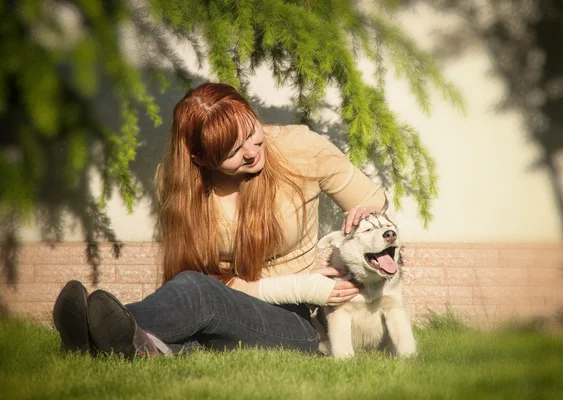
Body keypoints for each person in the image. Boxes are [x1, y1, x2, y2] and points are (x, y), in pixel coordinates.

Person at [52, 82, 388, 358]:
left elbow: (372, 198)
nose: (251, 151)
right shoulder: (173, 180)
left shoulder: (300, 148)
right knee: (196, 305)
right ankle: (134, 347)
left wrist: (364, 213)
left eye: (252, 134)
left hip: (295, 320)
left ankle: (95, 334)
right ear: (200, 157)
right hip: (227, 306)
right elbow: (202, 271)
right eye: (231, 150)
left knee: (198, 292)